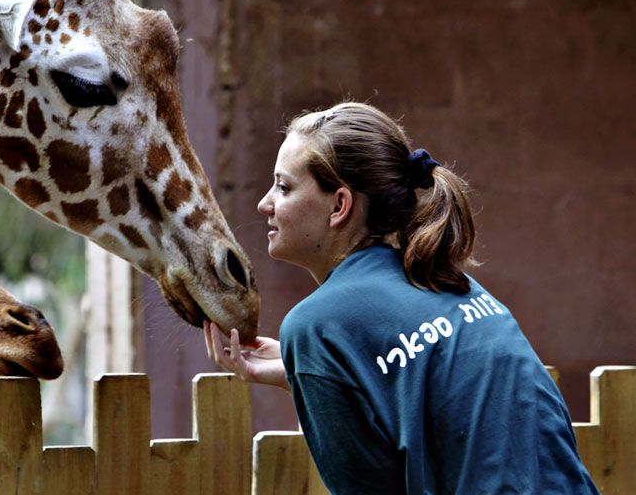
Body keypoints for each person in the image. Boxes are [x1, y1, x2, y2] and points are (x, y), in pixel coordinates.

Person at [203, 102, 597, 494]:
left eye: (284, 187)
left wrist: (314, 366)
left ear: (339, 205)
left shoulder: (317, 326)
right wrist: (302, 374)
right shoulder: (450, 282)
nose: (264, 203)